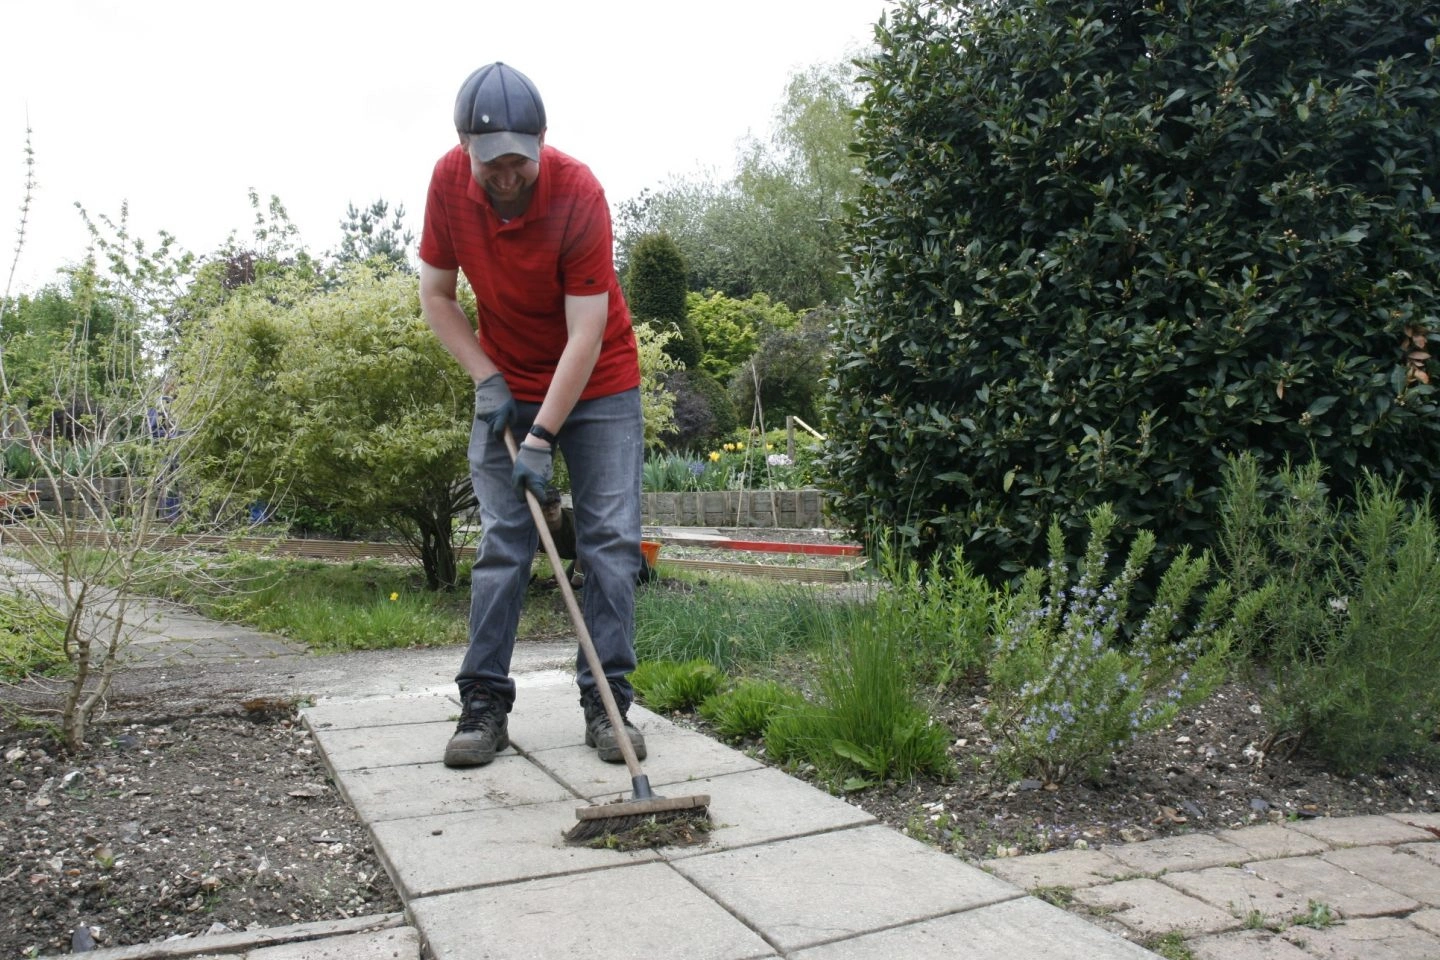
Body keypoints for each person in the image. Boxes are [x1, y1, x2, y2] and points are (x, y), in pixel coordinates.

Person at [417, 62, 647, 769]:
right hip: (508, 380)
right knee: (503, 544)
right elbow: (436, 295)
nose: (506, 174)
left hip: (599, 382)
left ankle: (607, 705)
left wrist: (543, 435)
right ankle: (483, 705)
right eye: (491, 163)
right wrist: (487, 381)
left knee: (608, 541)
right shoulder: (448, 185)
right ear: (465, 150)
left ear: (542, 141)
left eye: (519, 158)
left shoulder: (578, 191)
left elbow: (586, 331)